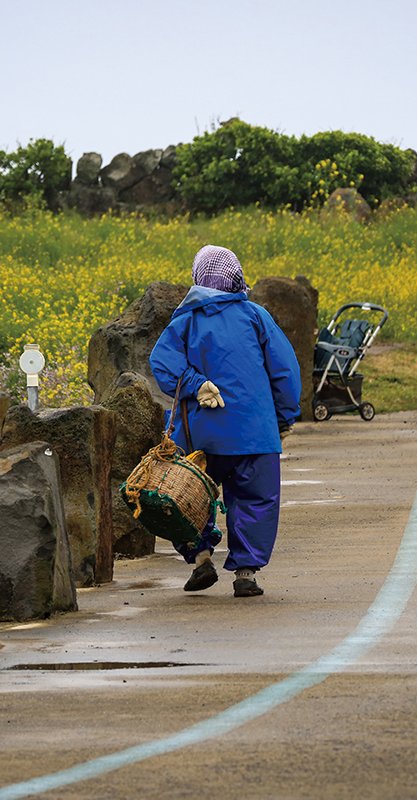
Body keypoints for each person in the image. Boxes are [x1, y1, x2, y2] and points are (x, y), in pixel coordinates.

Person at [149, 245, 301, 597]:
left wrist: (193, 384)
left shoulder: (185, 321)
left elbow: (162, 362)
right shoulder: (256, 316)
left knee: (187, 495)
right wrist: (284, 417)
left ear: (198, 279)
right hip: (255, 432)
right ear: (236, 277)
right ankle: (246, 572)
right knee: (256, 498)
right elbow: (285, 371)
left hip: (198, 433)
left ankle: (201, 558)